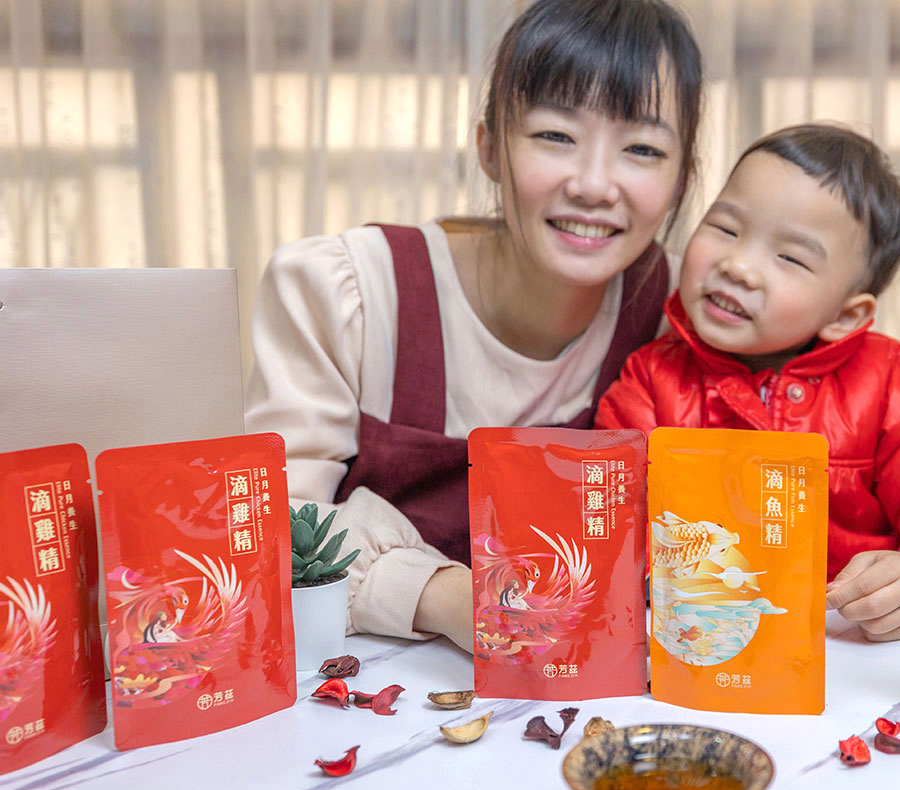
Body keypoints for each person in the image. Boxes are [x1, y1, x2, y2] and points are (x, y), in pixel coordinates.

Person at [244, 0, 703, 651]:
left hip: (592, 701)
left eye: (642, 148)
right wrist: (447, 598)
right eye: (555, 136)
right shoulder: (350, 290)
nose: (596, 186)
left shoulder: (682, 315)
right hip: (362, 694)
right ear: (489, 148)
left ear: (681, 176)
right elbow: (271, 528)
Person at [595, 123, 900, 642]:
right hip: (703, 643)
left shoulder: (888, 385)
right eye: (726, 228)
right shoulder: (651, 379)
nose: (738, 265)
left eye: (789, 258)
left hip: (848, 649)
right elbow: (608, 517)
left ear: (845, 314)